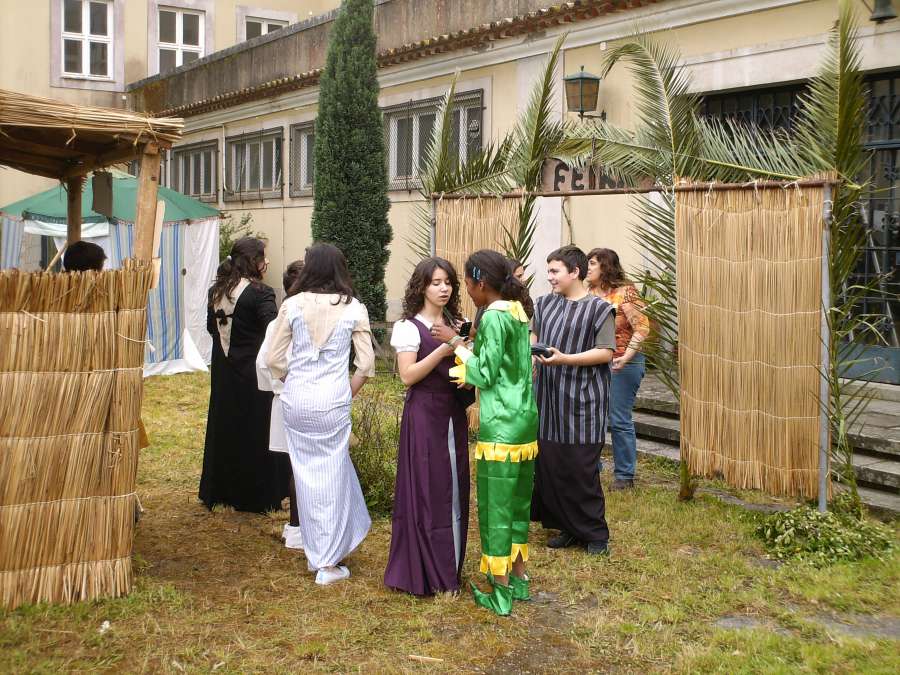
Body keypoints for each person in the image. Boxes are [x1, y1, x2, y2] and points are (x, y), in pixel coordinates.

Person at [433, 249, 537, 616]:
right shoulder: (517, 310)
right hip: (525, 419)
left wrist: (455, 342)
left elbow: (486, 373)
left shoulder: (493, 316)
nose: (466, 290)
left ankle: (501, 593)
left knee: (496, 507)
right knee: (519, 505)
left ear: (480, 283)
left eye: (466, 283)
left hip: (501, 426)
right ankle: (519, 580)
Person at [265, 243, 375, 586]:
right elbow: (366, 364)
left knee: (306, 475)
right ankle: (327, 560)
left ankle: (320, 552)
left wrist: (292, 382)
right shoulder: (354, 307)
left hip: (297, 400)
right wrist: (346, 393)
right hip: (332, 401)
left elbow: (272, 359)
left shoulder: (292, 304)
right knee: (332, 475)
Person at [383, 257, 470, 596]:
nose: (443, 288)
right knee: (428, 489)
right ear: (422, 287)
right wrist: (445, 349)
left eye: (448, 282)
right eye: (436, 282)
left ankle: (450, 567)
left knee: (453, 488)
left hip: (453, 413)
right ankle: (428, 571)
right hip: (424, 415)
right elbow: (407, 376)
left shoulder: (456, 323)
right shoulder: (409, 327)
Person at [531, 245, 615, 555]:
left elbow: (605, 352)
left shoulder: (599, 309)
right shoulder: (543, 304)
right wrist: (532, 355)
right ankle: (568, 527)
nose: (550, 277)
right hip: (549, 400)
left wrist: (565, 358)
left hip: (583, 402)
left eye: (555, 271)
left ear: (575, 272)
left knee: (581, 468)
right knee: (553, 466)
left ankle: (595, 534)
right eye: (549, 271)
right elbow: (534, 338)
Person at [200, 237, 290, 513]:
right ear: (253, 261)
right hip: (253, 375)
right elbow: (274, 332)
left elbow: (211, 329)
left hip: (224, 373)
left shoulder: (216, 290)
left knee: (225, 425)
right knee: (256, 429)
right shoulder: (260, 293)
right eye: (263, 256)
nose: (267, 261)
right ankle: (256, 496)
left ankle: (221, 490)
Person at [587, 248, 650, 490]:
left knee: (618, 418)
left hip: (623, 363)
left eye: (593, 263)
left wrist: (626, 357)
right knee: (592, 416)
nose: (588, 267)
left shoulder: (625, 292)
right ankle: (592, 468)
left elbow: (642, 328)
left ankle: (624, 475)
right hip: (595, 362)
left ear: (606, 266)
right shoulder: (587, 294)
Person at [256, 260, 305, 549]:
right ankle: (297, 527)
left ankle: (299, 525)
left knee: (298, 467)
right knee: (298, 468)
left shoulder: (282, 321)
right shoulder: (283, 322)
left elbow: (264, 365)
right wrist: (289, 382)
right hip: (292, 400)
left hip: (290, 397)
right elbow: (266, 363)